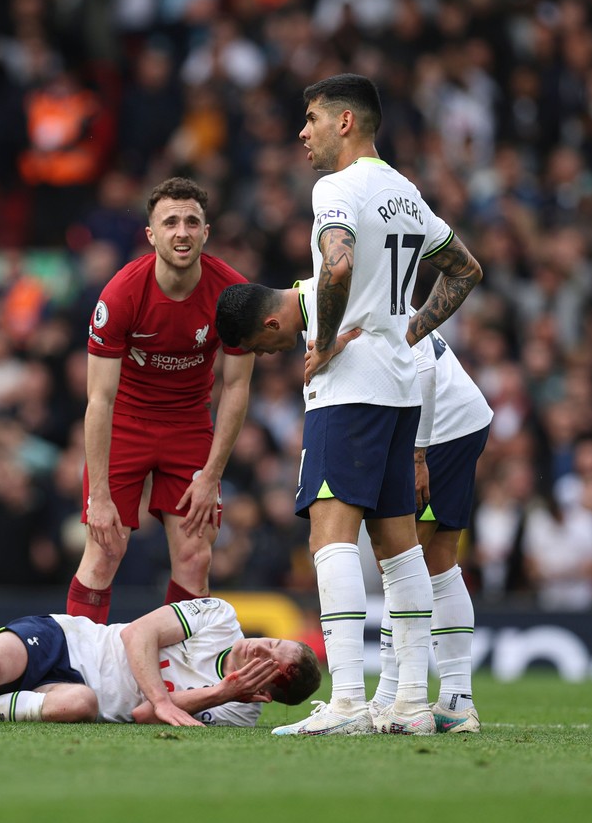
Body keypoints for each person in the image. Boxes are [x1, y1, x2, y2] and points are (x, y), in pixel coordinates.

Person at [220, 73, 482, 737]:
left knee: (329, 537)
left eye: (310, 118)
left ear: (345, 122)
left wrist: (327, 338)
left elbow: (335, 267)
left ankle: (345, 702)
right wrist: (406, 330)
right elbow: (466, 270)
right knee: (400, 550)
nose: (301, 132)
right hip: (398, 389)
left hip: (354, 390)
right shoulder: (405, 191)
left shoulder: (337, 189)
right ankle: (413, 706)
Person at [216, 281, 492, 733]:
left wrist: (418, 452)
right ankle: (453, 702)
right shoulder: (322, 296)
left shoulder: (333, 295)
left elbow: (417, 354)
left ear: (269, 323)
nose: (267, 355)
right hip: (457, 414)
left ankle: (393, 697)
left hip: (441, 422)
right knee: (435, 561)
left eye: (259, 347)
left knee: (407, 558)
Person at [67, 177, 254, 624]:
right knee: (104, 552)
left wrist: (211, 475)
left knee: (196, 558)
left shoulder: (232, 294)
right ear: (151, 235)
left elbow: (236, 386)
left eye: (192, 221)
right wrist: (100, 495)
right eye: (170, 222)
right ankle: (78, 677)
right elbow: (100, 399)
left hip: (189, 424)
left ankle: (179, 679)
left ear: (206, 232)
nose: (182, 232)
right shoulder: (121, 293)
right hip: (125, 422)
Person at [0, 597, 321, 727]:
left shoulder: (238, 713)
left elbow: (140, 719)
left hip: (80, 690)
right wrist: (161, 696)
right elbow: (140, 633)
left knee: (79, 704)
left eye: (272, 661)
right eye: (275, 642)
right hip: (72, 642)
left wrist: (223, 693)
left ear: (264, 693)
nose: (263, 648)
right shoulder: (221, 619)